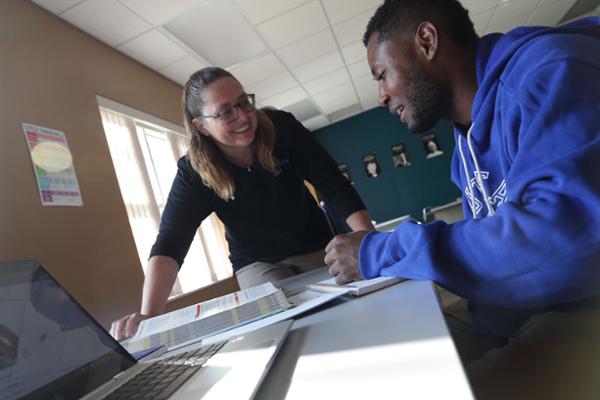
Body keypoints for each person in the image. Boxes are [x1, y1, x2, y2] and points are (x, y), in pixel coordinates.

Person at [324, 0, 600, 398]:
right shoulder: (463, 149)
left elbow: (560, 245)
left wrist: (377, 250)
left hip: (581, 310)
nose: (381, 96)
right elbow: (494, 254)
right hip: (513, 316)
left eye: (382, 74)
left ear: (426, 40)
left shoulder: (549, 72)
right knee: (379, 365)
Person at [111, 67, 373, 340]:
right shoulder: (194, 172)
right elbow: (170, 243)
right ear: (201, 125)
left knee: (343, 313)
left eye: (244, 102)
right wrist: (149, 317)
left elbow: (334, 185)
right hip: (257, 262)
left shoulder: (281, 128)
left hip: (315, 244)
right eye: (225, 112)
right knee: (288, 328)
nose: (243, 116)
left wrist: (367, 242)